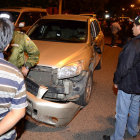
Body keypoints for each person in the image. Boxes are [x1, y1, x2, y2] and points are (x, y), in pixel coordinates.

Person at [103, 15, 140, 140]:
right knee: (135, 109)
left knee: (121, 113)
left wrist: (116, 80)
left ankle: (117, 138)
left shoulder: (134, 45)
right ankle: (133, 130)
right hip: (138, 86)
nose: (132, 28)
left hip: (128, 83)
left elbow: (125, 66)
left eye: (134, 25)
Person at [0, 18, 27, 140]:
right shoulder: (15, 75)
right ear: (6, 46)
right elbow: (18, 112)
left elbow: (34, 53)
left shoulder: (25, 38)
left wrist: (27, 65)